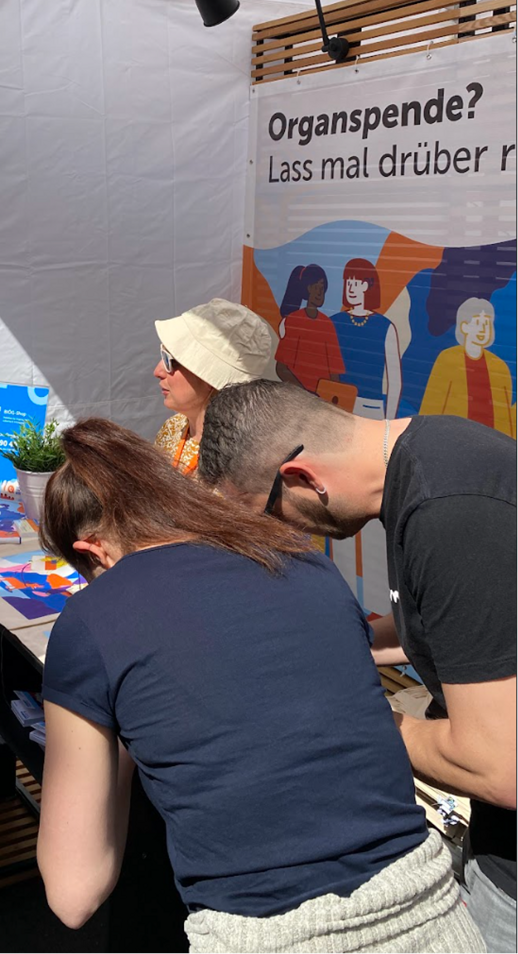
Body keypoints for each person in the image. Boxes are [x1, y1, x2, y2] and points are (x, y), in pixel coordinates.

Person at [37, 418, 482, 951]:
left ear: (93, 551)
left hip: (264, 934)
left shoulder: (90, 621)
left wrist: (124, 731)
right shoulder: (301, 561)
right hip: (433, 911)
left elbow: (74, 893)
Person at [200, 379, 516, 953]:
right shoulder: (425, 461)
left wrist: (357, 719)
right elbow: (451, 625)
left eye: (270, 516)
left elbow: (499, 766)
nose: (283, 535)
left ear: (302, 477)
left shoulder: (449, 512)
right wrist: (332, 645)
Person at [153, 299, 271, 475]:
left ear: (208, 377)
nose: (158, 371)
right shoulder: (172, 428)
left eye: (170, 360)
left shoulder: (243, 457)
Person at [420, 297, 515, 437]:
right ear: (464, 327)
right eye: (477, 322)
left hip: (489, 443)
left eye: (487, 323)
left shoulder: (499, 367)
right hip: (456, 441)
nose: (483, 329)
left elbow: (505, 418)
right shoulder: (448, 359)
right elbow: (431, 407)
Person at [331, 258, 402, 419]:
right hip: (337, 404)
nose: (350, 288)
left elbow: (395, 380)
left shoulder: (385, 327)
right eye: (348, 282)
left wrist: (389, 422)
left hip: (371, 407)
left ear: (367, 285)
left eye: (356, 283)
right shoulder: (334, 322)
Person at [275, 263, 344, 393]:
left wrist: (330, 395)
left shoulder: (327, 324)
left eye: (322, 287)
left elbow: (334, 371)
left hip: (321, 400)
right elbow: (282, 368)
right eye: (315, 287)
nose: (319, 292)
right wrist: (304, 393)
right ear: (306, 289)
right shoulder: (294, 321)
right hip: (299, 398)